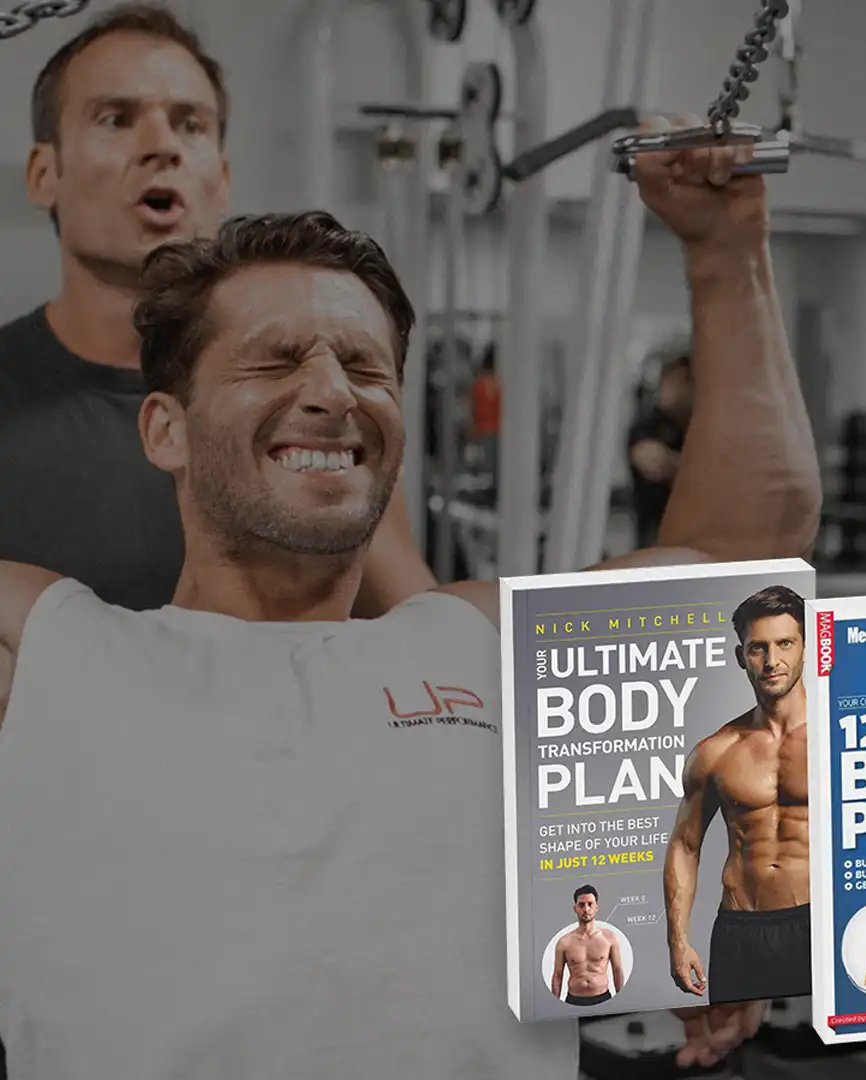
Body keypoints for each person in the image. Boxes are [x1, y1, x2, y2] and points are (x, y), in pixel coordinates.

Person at [0, 115, 822, 1080]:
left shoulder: (477, 645)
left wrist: (726, 255)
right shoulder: (58, 655)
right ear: (164, 430)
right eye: (273, 360)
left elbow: (746, 552)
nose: (330, 393)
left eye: (363, 366)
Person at [0, 2, 432, 617]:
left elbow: (427, 637)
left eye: (191, 125)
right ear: (44, 172)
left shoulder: (315, 410)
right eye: (117, 118)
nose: (163, 148)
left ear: (222, 179)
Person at [664, 585, 810, 1005]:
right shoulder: (714, 752)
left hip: (820, 923)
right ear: (740, 657)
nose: (772, 661)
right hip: (741, 929)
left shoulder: (840, 736)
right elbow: (685, 845)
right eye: (758, 648)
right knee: (732, 1060)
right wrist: (678, 940)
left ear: (806, 647)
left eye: (785, 644)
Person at [627, 353, 692, 549]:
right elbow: (653, 462)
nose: (680, 390)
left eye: (685, 382)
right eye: (675, 381)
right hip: (657, 533)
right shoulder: (648, 425)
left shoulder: (697, 426)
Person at [550, 885, 625, 1006]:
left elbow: (617, 970)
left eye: (590, 904)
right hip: (574, 1000)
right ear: (575, 908)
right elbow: (557, 975)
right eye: (581, 905)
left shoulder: (609, 938)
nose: (586, 909)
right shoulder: (564, 942)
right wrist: (554, 1004)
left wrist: (621, 1000)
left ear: (596, 908)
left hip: (603, 998)